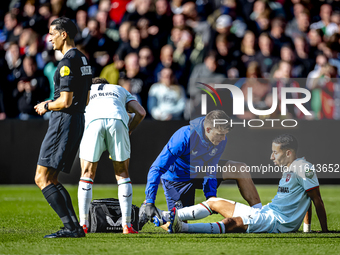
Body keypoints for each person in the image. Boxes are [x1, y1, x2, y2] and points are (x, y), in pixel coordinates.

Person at [167, 134, 328, 234]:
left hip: (276, 222)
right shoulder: (291, 168)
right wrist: (307, 230)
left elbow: (316, 199)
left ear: (288, 153)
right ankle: (166, 216)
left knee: (232, 223)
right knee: (213, 201)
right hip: (267, 213)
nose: (271, 157)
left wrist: (325, 231)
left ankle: (184, 228)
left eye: (275, 152)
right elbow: (307, 199)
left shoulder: (303, 168)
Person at [141, 110, 262, 227]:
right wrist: (150, 201)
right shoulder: (184, 136)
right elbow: (157, 168)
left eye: (225, 134)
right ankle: (147, 213)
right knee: (178, 226)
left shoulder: (220, 140)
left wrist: (211, 197)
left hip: (200, 171)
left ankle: (260, 215)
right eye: (220, 134)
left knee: (240, 169)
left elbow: (211, 169)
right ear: (208, 129)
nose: (224, 138)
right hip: (178, 179)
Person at [34, 17, 92, 238]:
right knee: (51, 178)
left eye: (52, 33)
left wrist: (46, 105)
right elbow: (85, 100)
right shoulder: (84, 60)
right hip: (77, 120)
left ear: (63, 34)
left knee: (42, 178)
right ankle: (74, 227)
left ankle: (71, 227)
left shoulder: (66, 63)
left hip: (63, 121)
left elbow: (65, 101)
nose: (49, 38)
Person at [77, 77, 146, 234]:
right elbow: (141, 112)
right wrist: (129, 129)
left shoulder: (87, 90)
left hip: (93, 122)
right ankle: (127, 225)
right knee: (122, 174)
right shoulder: (119, 89)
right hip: (117, 120)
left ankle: (83, 224)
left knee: (87, 174)